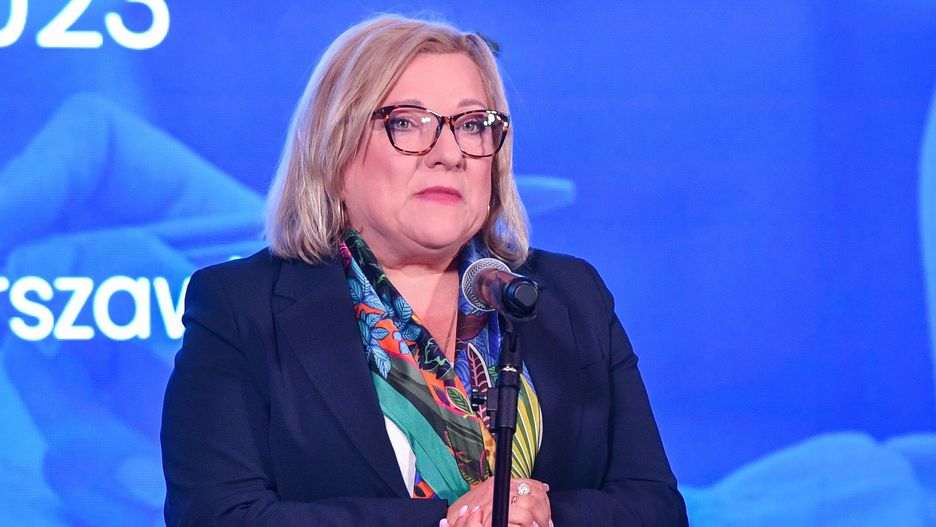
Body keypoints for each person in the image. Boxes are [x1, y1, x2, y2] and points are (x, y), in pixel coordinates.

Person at [160, 14, 687, 527]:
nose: (449, 154)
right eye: (406, 122)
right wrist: (456, 520)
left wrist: (545, 512)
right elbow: (215, 516)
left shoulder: (568, 296)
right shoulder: (242, 308)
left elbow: (656, 507)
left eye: (472, 125)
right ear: (335, 148)